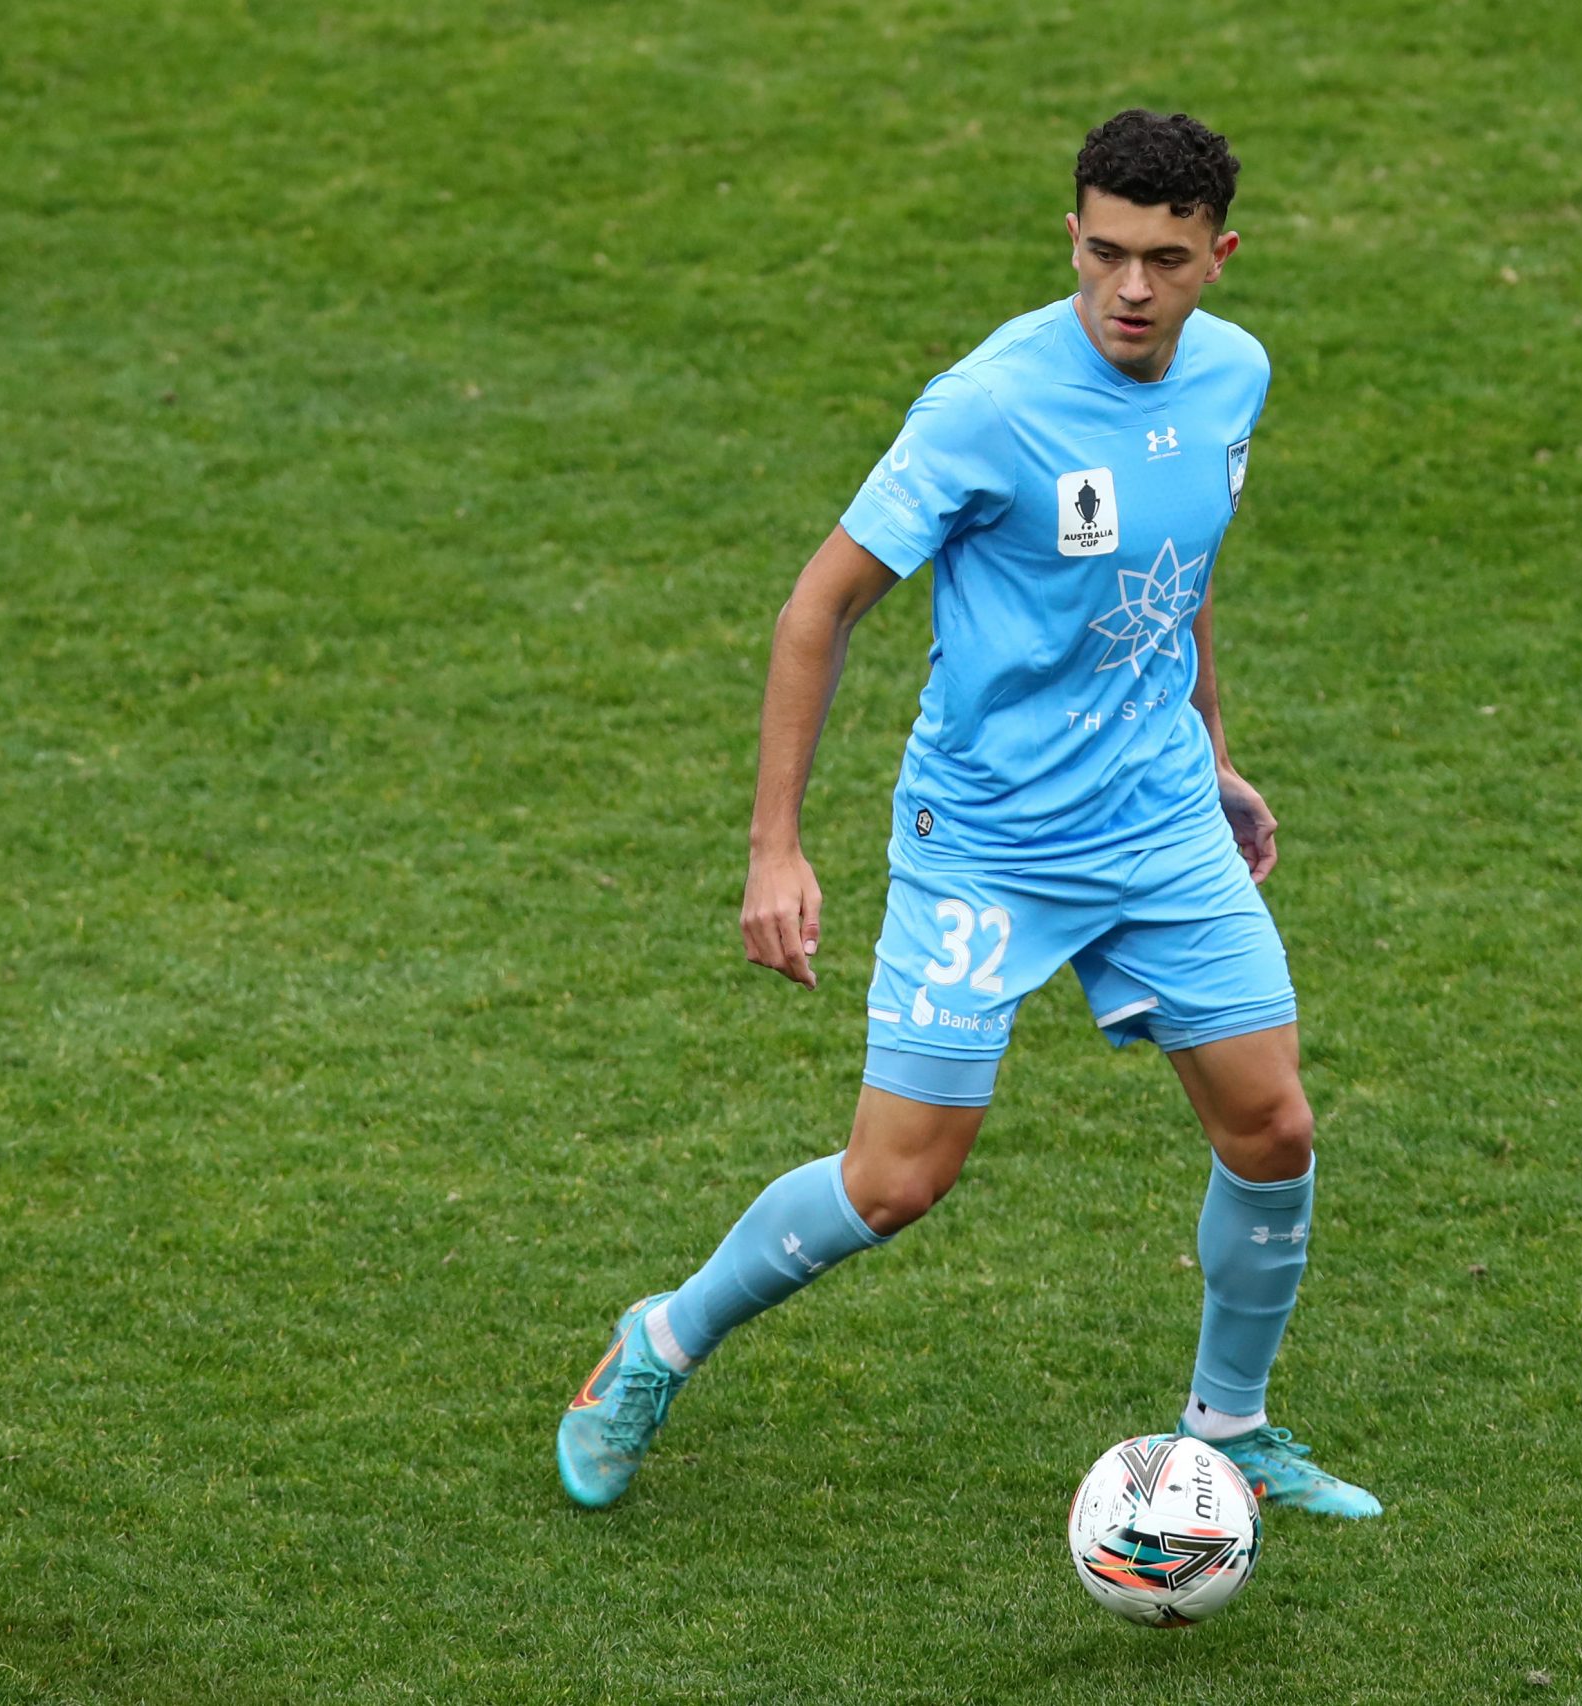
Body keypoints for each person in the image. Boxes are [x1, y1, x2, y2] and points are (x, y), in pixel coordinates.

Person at [556, 108, 1379, 1520]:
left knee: (1274, 1127)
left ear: (1219, 257)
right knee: (897, 1179)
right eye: (1104, 252)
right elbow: (818, 607)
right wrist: (776, 846)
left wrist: (1217, 754)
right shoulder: (987, 405)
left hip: (1159, 822)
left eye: (1164, 260)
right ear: (1071, 235)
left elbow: (1175, 582)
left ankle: (1229, 1423)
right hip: (988, 842)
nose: (1130, 288)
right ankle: (659, 1339)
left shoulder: (1234, 377)